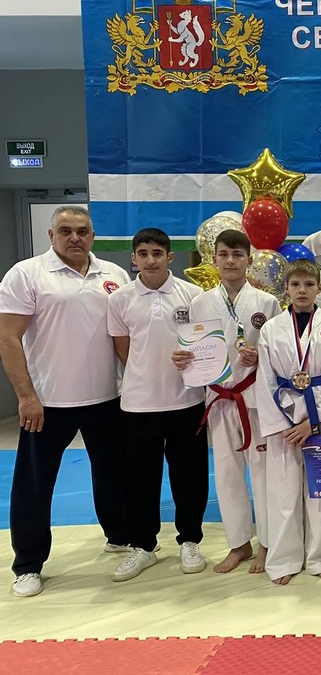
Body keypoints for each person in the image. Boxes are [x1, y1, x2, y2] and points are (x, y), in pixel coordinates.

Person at [0, 206, 131, 598]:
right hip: (48, 401)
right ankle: (28, 564)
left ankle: (120, 536)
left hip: (106, 396)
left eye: (83, 231)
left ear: (93, 235)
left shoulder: (114, 275)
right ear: (51, 235)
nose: (75, 238)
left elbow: (127, 336)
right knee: (34, 485)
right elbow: (8, 338)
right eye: (66, 230)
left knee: (113, 473)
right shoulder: (27, 274)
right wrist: (26, 396)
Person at [174, 229, 281, 575]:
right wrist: (184, 360)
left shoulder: (267, 302)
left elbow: (280, 352)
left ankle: (268, 543)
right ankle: (239, 544)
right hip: (220, 399)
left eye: (237, 255)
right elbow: (195, 350)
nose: (230, 261)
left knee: (263, 474)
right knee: (226, 473)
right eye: (224, 254)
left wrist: (260, 357)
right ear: (214, 259)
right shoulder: (200, 303)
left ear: (249, 260)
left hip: (256, 399)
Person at [107, 228, 209, 583]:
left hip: (186, 401)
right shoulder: (119, 299)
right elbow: (124, 350)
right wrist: (146, 372)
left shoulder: (193, 295)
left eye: (157, 253)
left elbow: (204, 345)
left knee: (190, 476)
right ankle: (143, 545)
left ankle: (190, 540)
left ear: (170, 257)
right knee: (140, 479)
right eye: (143, 253)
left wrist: (190, 359)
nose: (150, 260)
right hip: (138, 403)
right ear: (134, 258)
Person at [254, 259, 321, 585]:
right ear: (287, 289)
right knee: (283, 493)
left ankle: (320, 557)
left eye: (309, 284)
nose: (302, 290)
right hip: (283, 417)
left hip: (320, 418)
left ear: (319, 287)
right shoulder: (270, 329)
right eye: (296, 285)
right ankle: (283, 559)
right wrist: (282, 424)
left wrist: (313, 422)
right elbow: (264, 380)